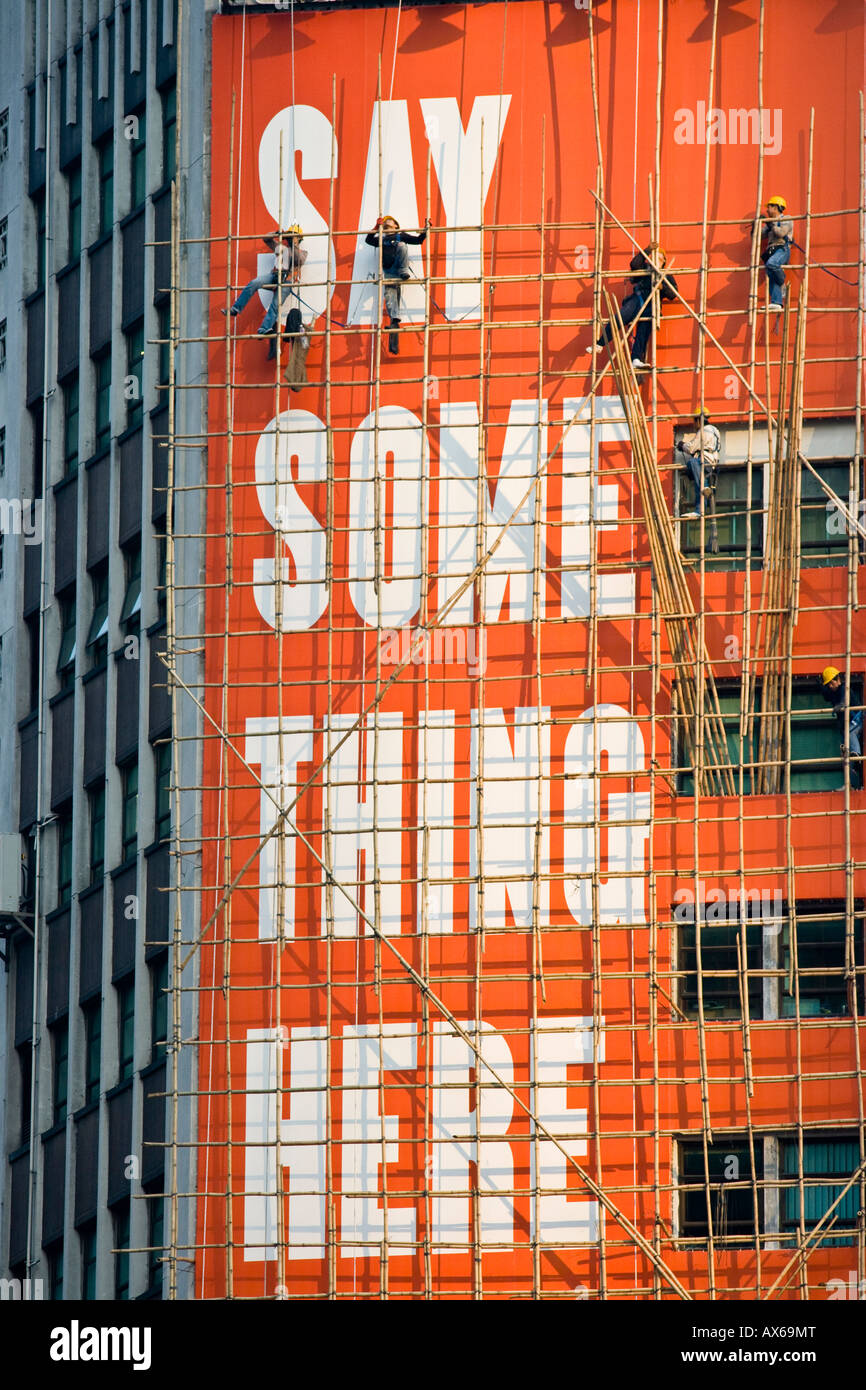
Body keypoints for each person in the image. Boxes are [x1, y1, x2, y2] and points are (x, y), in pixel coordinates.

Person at [588, 243, 678, 368]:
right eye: (653, 257)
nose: (655, 260)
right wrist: (646, 250)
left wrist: (663, 287)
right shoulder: (644, 268)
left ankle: (636, 359)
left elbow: (673, 294)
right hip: (637, 300)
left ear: (663, 262)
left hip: (652, 305)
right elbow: (634, 265)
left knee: (643, 332)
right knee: (619, 318)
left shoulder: (666, 275)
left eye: (659, 258)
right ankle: (600, 343)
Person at [221, 227, 307, 357]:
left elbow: (297, 260)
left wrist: (291, 243)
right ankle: (236, 309)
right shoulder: (281, 248)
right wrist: (277, 234)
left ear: (298, 239)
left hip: (287, 280)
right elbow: (266, 238)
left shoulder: (302, 253)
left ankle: (264, 329)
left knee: (275, 305)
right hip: (274, 275)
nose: (290, 238)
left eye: (293, 236)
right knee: (254, 283)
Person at [365, 215, 430, 354]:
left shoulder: (401, 235)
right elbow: (368, 240)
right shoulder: (381, 238)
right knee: (389, 297)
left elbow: (418, 240)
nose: (387, 225)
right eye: (385, 225)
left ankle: (404, 271)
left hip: (399, 270)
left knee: (401, 245)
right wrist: (376, 228)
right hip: (388, 272)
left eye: (390, 223)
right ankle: (394, 320)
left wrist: (426, 229)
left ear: (396, 226)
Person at [820, 666, 863, 790]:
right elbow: (827, 696)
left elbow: (845, 701)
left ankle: (857, 756)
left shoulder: (844, 688)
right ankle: (850, 783)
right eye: (827, 684)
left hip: (857, 720)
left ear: (837, 679)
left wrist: (840, 705)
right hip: (847, 726)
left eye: (831, 683)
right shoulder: (833, 692)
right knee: (845, 753)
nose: (830, 686)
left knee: (850, 735)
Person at [676, 412, 721, 518]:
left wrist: (682, 446)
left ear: (698, 421)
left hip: (704, 460)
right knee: (698, 477)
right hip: (711, 461)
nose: (694, 425)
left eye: (694, 422)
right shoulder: (714, 430)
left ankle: (699, 509)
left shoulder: (705, 430)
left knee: (693, 464)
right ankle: (705, 489)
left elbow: (692, 447)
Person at [760, 197, 793, 313]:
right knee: (771, 273)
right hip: (772, 251)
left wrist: (771, 225)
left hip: (782, 249)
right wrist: (756, 226)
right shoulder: (769, 223)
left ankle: (781, 281)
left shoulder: (787, 219)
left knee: (772, 264)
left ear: (776, 207)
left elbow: (781, 233)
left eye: (769, 207)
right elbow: (758, 237)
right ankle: (777, 302)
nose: (767, 210)